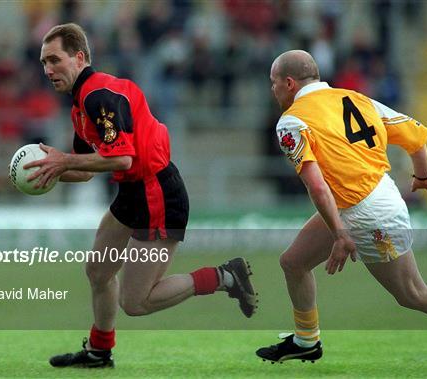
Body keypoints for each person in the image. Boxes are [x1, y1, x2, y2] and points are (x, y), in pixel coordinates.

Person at [24, 23, 257, 368]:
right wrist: (50, 173)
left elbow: (122, 157)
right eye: (43, 62)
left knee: (136, 302)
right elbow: (88, 170)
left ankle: (226, 276)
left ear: (79, 57)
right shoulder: (80, 106)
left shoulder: (97, 96)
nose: (48, 70)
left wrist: (63, 161)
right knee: (99, 271)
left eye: (55, 60)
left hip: (158, 193)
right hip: (133, 192)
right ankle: (99, 352)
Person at [256, 50, 427, 363]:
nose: (272, 90)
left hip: (367, 211)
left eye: (273, 83)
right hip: (366, 197)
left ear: (288, 83)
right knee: (293, 262)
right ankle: (306, 341)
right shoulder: (356, 99)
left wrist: (340, 234)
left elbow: (316, 185)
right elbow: (415, 138)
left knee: (413, 293)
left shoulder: (291, 121)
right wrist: (423, 176)